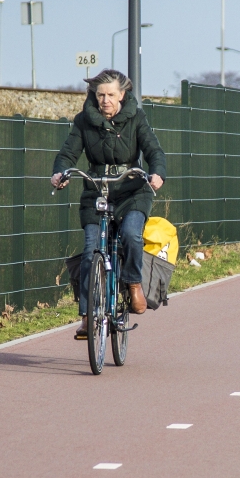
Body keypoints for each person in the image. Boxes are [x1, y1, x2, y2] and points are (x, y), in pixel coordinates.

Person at [51, 70, 166, 338]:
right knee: (90, 251)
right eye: (100, 95)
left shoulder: (136, 118)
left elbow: (153, 150)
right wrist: (60, 173)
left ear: (122, 95)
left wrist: (157, 173)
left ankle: (133, 283)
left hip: (132, 190)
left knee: (131, 235)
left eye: (111, 95)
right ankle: (87, 316)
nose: (105, 101)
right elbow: (67, 154)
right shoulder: (84, 121)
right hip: (97, 190)